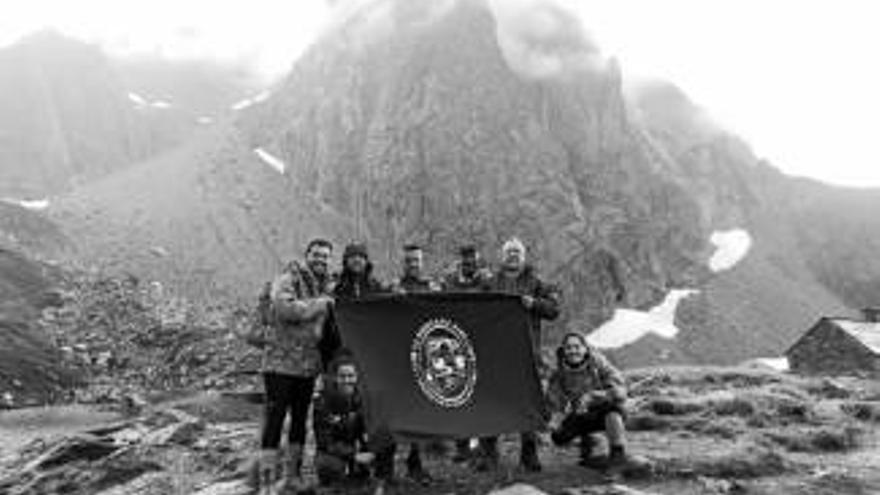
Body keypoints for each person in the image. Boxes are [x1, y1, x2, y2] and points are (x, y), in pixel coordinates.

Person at [252, 238, 336, 494]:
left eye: (325, 256)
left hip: (307, 366)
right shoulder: (288, 278)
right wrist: (319, 304)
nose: (321, 260)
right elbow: (283, 308)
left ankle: (293, 476)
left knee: (300, 420)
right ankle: (267, 482)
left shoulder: (326, 285)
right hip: (280, 363)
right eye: (316, 255)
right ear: (307, 255)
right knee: (275, 420)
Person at [476, 237, 560, 473]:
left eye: (517, 252)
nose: (513, 255)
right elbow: (474, 307)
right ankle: (489, 452)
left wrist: (534, 304)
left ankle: (529, 452)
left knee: (528, 402)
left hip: (526, 352)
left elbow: (554, 310)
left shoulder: (537, 282)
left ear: (524, 256)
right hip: (495, 354)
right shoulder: (490, 283)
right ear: (502, 256)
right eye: (509, 252)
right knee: (491, 401)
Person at [389, 243, 437, 483]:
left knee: (420, 407)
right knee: (398, 408)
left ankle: (415, 461)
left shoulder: (432, 287)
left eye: (416, 260)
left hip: (425, 356)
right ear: (403, 263)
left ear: (422, 261)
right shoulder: (393, 287)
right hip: (398, 356)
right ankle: (387, 463)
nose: (413, 264)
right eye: (408, 261)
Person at [547, 332, 629, 469]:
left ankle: (617, 454)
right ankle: (589, 442)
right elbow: (553, 401)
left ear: (585, 349)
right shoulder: (558, 373)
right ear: (564, 350)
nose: (573, 351)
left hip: (604, 410)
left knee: (613, 410)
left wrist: (594, 396)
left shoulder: (600, 365)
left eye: (577, 347)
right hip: (579, 413)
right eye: (569, 348)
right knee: (558, 437)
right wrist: (555, 418)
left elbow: (621, 392)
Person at [440, 244, 491, 462]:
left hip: (482, 342)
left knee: (483, 394)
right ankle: (461, 446)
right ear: (461, 260)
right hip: (455, 343)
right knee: (458, 393)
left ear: (478, 260)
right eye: (466, 259)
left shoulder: (488, 280)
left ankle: (485, 447)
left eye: (473, 260)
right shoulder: (449, 280)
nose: (470, 263)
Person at [313, 355, 378, 486]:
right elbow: (325, 441)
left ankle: (376, 476)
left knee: (384, 441)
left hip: (355, 446)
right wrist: (354, 455)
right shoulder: (323, 401)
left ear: (357, 376)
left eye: (351, 376)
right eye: (342, 376)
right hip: (332, 450)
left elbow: (370, 429)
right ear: (335, 378)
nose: (347, 380)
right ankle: (336, 476)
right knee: (328, 467)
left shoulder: (364, 399)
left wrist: (370, 448)